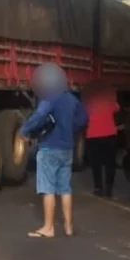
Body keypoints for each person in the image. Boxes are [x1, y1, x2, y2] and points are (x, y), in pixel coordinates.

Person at [20, 63, 87, 238]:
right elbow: (83, 117)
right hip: (67, 148)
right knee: (65, 188)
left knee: (48, 189)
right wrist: (70, 128)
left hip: (49, 147)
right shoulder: (71, 99)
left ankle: (48, 227)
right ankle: (68, 227)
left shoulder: (50, 98)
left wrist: (25, 131)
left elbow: (40, 115)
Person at [82, 81, 120, 198]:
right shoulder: (110, 98)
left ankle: (98, 188)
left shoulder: (88, 101)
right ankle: (109, 188)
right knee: (110, 163)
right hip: (110, 133)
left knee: (96, 163)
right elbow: (117, 108)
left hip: (93, 134)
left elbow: (83, 114)